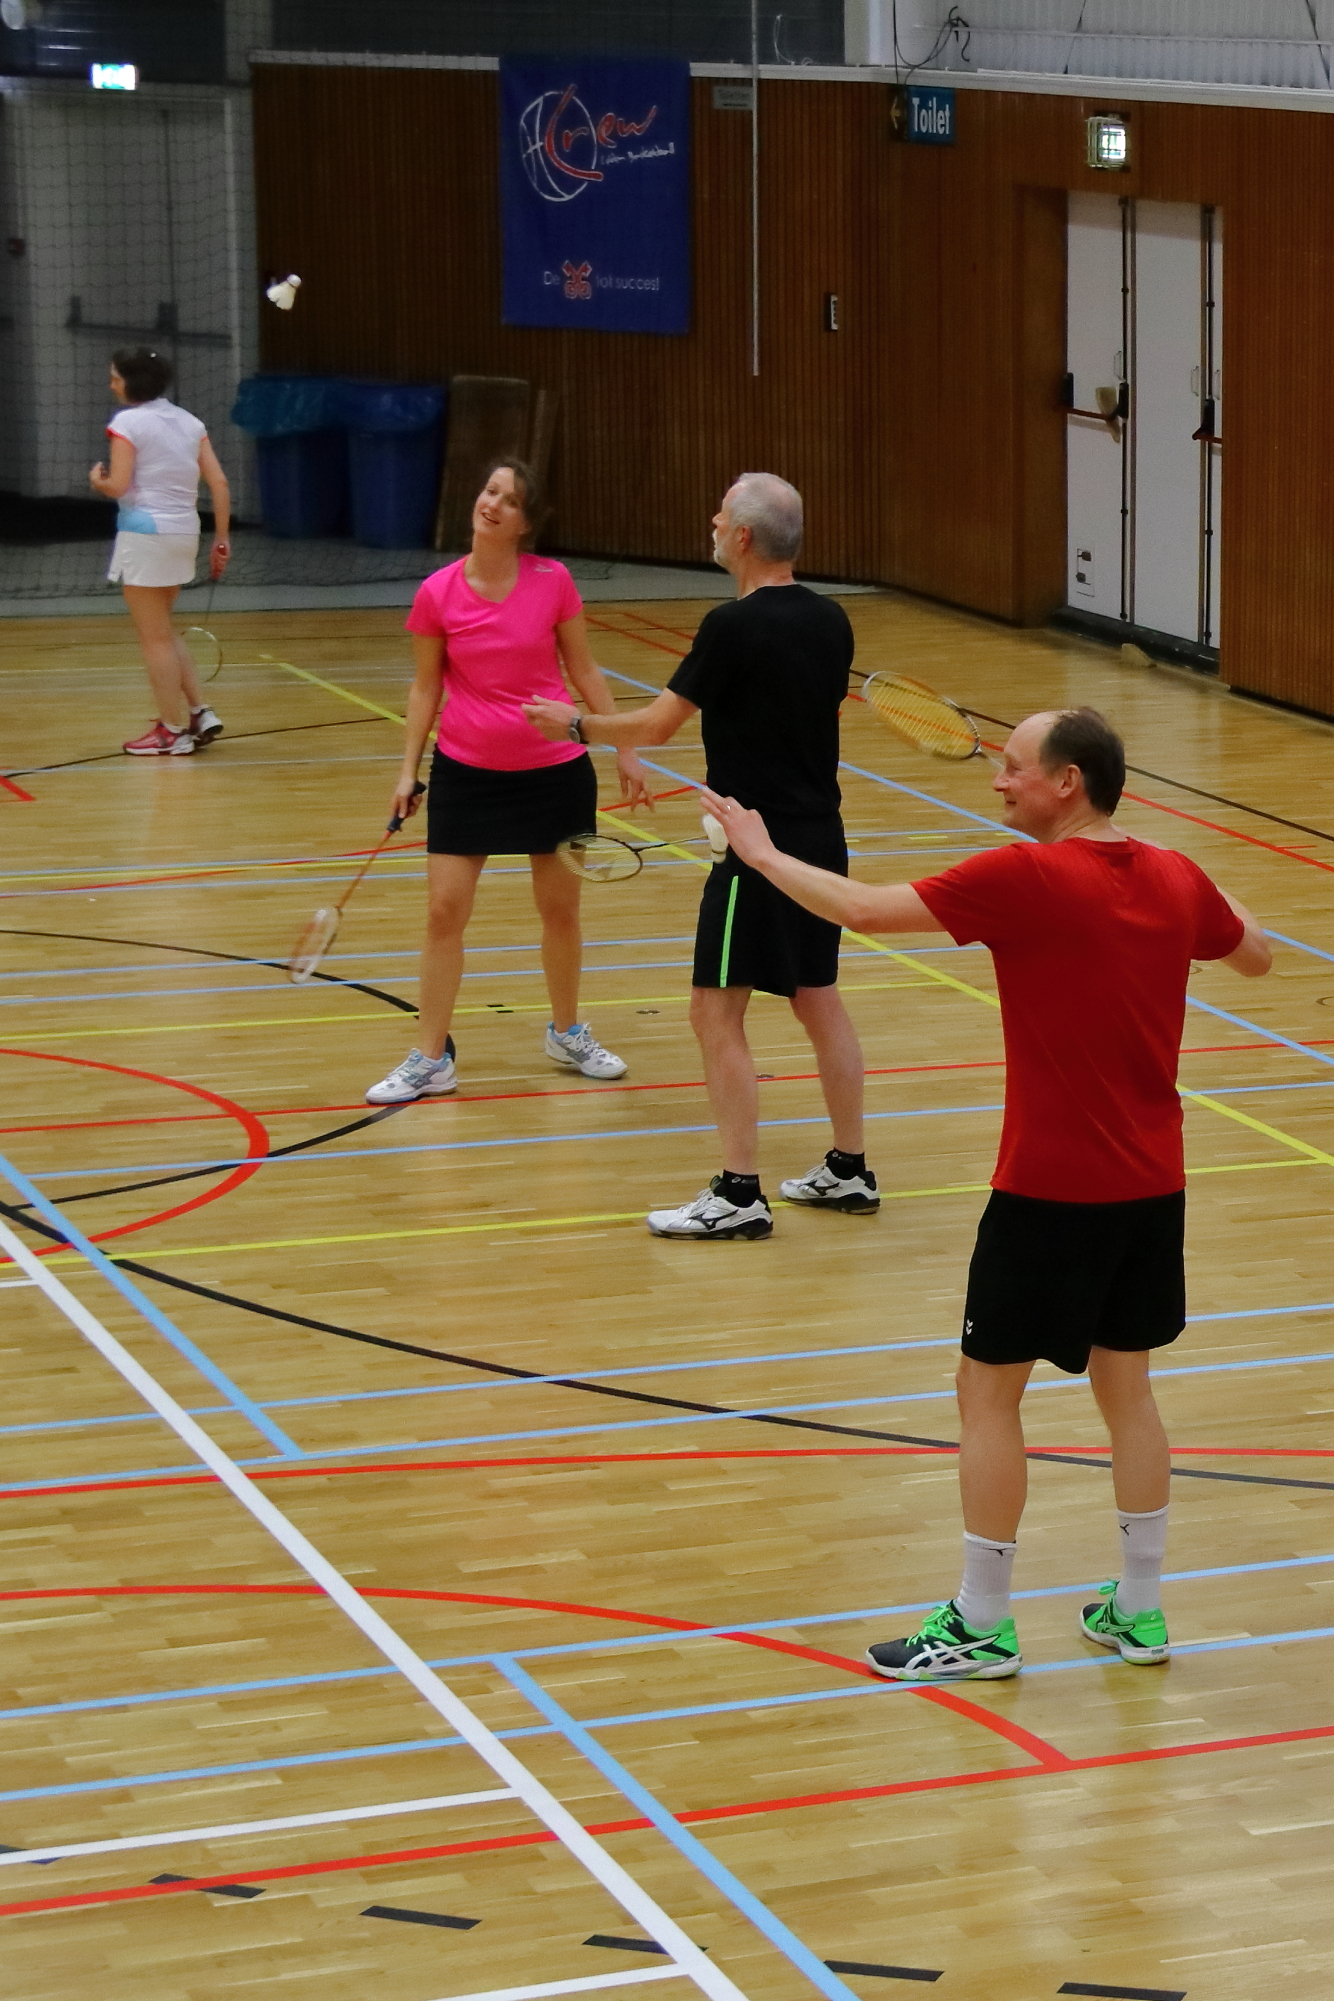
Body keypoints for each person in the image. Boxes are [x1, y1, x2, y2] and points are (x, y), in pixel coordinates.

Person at [701, 705, 1271, 1675]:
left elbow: (862, 911)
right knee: (1127, 1389)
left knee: (985, 1393)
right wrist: (1188, 890)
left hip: (1047, 1190)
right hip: (1152, 1185)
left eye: (1014, 767)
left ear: (1068, 783)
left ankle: (978, 1621)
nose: (998, 780)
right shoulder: (1174, 874)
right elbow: (1254, 953)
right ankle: (1138, 1610)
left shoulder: (1025, 878)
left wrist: (758, 854)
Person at [524, 471, 877, 1240]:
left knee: (714, 1010)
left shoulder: (732, 625)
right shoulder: (832, 619)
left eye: (721, 514)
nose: (712, 522)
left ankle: (739, 1191)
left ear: (743, 536)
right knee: (817, 995)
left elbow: (656, 726)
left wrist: (573, 725)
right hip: (821, 837)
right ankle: (850, 1168)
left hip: (755, 847)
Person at [365, 459, 648, 1106]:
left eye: (510, 499)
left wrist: (624, 746)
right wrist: (408, 769)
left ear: (526, 522)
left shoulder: (553, 581)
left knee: (560, 909)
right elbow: (425, 687)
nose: (492, 503)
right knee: (444, 911)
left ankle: (567, 1032)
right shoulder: (437, 592)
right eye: (490, 490)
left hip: (555, 774)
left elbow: (584, 669)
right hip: (467, 772)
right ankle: (430, 1058)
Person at [90, 347, 230, 755]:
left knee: (154, 640)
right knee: (164, 630)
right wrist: (222, 539)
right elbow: (219, 484)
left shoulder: (127, 422)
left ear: (132, 382)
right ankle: (199, 711)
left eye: (115, 377)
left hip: (146, 535)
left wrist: (98, 481)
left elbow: (118, 485)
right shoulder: (190, 422)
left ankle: (171, 732)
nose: (111, 384)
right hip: (185, 532)